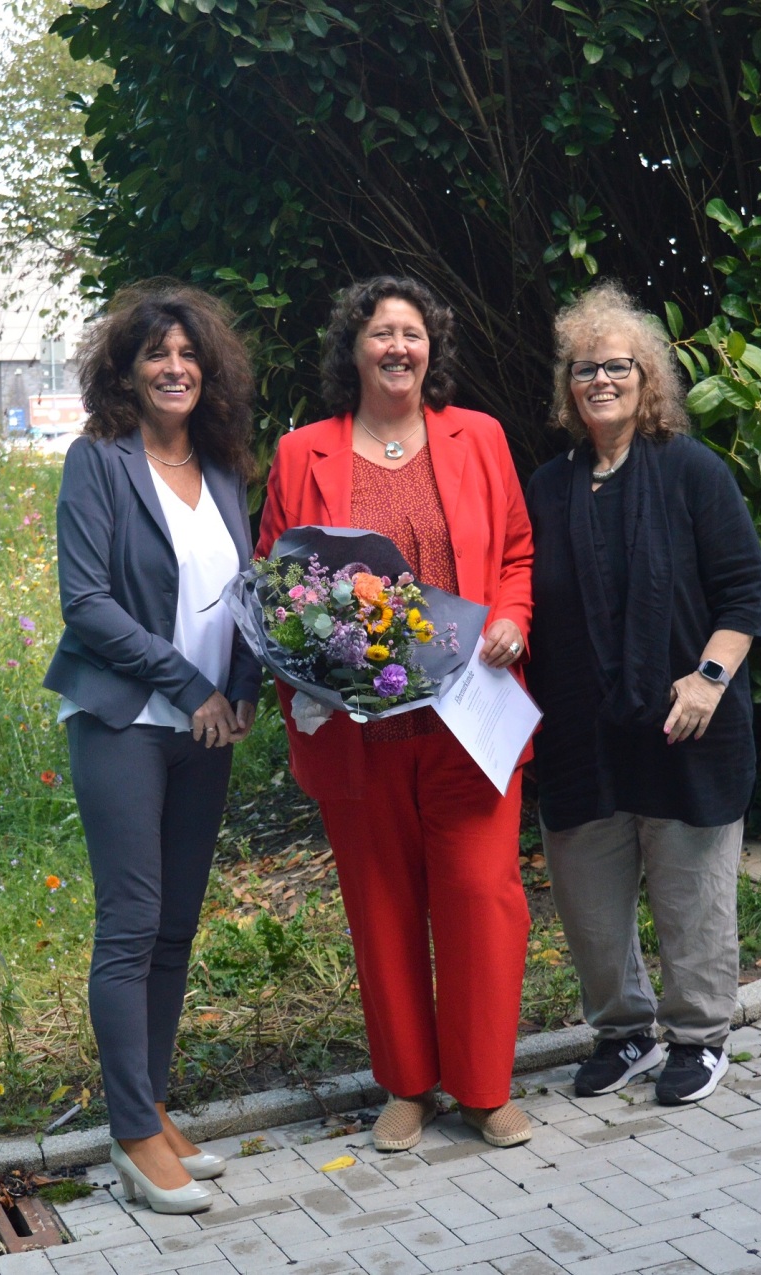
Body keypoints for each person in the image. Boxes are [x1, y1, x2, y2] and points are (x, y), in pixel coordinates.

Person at [255, 276, 536, 1152]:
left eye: (412, 333)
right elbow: (273, 582)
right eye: (381, 333)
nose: (398, 348)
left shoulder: (479, 437)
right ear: (354, 348)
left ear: (432, 348)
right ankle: (409, 1085)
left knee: (480, 898)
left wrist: (510, 621)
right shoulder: (304, 453)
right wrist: (302, 673)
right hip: (360, 732)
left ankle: (487, 1088)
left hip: (468, 720)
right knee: (380, 906)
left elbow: (519, 552)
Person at [524, 281, 761, 1106]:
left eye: (617, 366)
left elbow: (744, 593)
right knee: (590, 905)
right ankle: (622, 1030)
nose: (600, 380)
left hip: (683, 725)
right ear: (568, 386)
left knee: (692, 894)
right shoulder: (548, 488)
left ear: (649, 378)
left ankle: (699, 1036)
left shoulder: (693, 472)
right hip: (581, 734)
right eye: (584, 368)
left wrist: (709, 678)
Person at [42, 280, 262, 1213]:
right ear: (126, 372)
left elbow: (250, 591)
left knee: (175, 927)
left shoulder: (222, 469)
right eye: (155, 354)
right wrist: (190, 684)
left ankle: (154, 1105)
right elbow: (85, 604)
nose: (174, 367)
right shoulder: (97, 462)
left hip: (208, 728)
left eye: (187, 354)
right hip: (126, 719)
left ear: (206, 371)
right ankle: (130, 1135)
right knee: (131, 927)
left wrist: (243, 688)